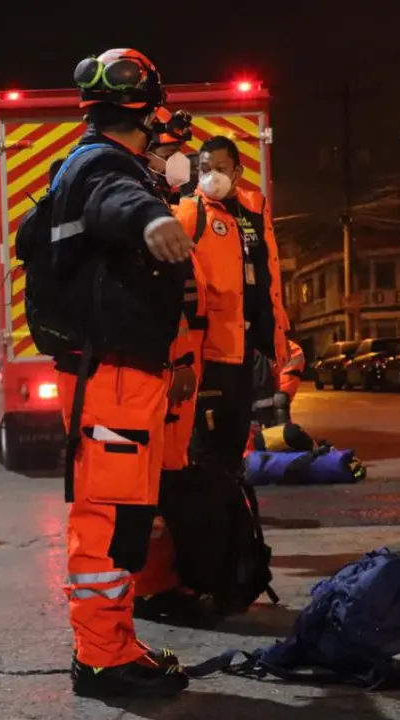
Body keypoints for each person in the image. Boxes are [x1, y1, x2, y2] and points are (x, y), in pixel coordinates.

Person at [51, 49, 194, 699]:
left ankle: (113, 643)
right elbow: (114, 200)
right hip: (111, 374)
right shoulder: (100, 165)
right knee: (108, 520)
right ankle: (102, 657)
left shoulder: (103, 164)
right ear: (148, 111)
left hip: (120, 372)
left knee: (125, 517)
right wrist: (151, 215)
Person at [133, 106, 212, 621]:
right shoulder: (141, 209)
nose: (178, 159)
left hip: (171, 366)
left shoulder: (158, 204)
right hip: (156, 369)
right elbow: (163, 303)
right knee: (151, 484)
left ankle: (161, 582)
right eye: (167, 149)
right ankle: (151, 588)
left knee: (167, 477)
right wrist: (180, 360)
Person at [176, 135, 290, 475]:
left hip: (251, 351)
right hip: (211, 353)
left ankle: (229, 511)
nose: (211, 176)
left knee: (238, 442)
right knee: (208, 447)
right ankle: (210, 516)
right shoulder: (188, 212)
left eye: (220, 169)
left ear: (238, 171)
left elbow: (268, 275)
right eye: (205, 168)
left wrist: (275, 345)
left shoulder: (255, 208)